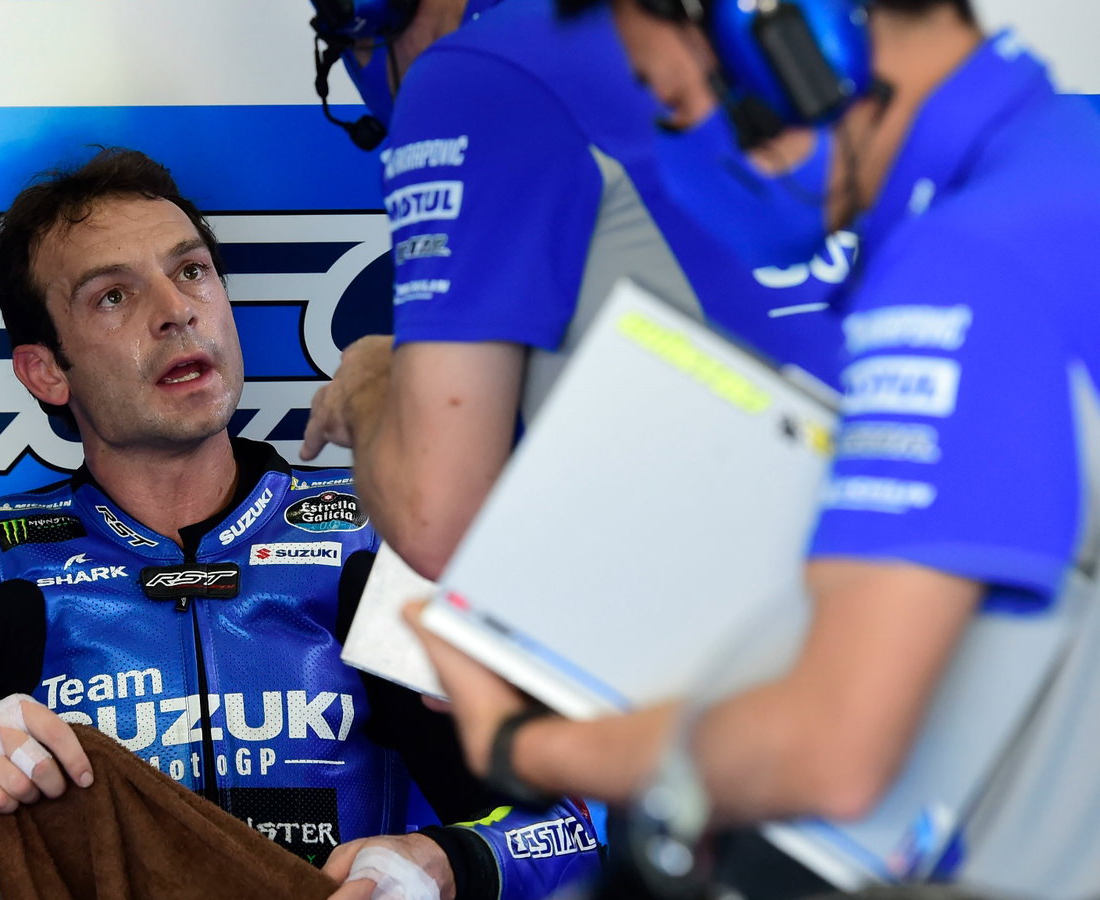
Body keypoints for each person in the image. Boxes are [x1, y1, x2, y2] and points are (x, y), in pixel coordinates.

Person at [0, 148, 601, 900]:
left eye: (191, 272)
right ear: (46, 372)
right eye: (114, 295)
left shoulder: (377, 535)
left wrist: (446, 864)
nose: (176, 311)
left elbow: (568, 827)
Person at [408, 1, 1100, 896]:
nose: (689, 149)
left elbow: (831, 747)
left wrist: (524, 744)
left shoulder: (963, 270)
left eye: (675, 102)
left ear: (787, 38)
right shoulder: (1064, 166)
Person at [300, 0, 847, 580]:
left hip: (762, 593)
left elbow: (435, 522)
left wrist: (370, 387)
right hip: (883, 555)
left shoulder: (476, 73)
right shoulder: (808, 28)